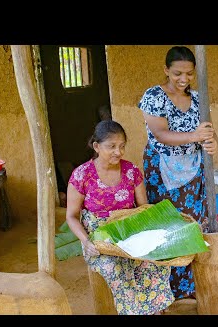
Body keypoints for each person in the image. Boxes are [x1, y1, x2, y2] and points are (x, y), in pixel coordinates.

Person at [65, 119, 174, 315]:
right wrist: (87, 241)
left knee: (154, 262)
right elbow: (72, 216)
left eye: (122, 146)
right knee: (116, 268)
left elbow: (143, 208)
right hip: (100, 239)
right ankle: (135, 311)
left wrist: (150, 236)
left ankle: (154, 310)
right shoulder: (82, 175)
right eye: (112, 146)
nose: (118, 152)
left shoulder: (131, 171)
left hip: (129, 232)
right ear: (97, 147)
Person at [138, 46, 218, 299]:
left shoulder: (197, 99)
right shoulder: (154, 96)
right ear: (166, 70)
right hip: (162, 170)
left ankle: (188, 286)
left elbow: (208, 131)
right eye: (177, 73)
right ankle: (166, 287)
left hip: (194, 169)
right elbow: (161, 134)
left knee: (192, 224)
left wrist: (213, 141)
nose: (183, 79)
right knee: (167, 225)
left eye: (189, 74)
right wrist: (196, 136)